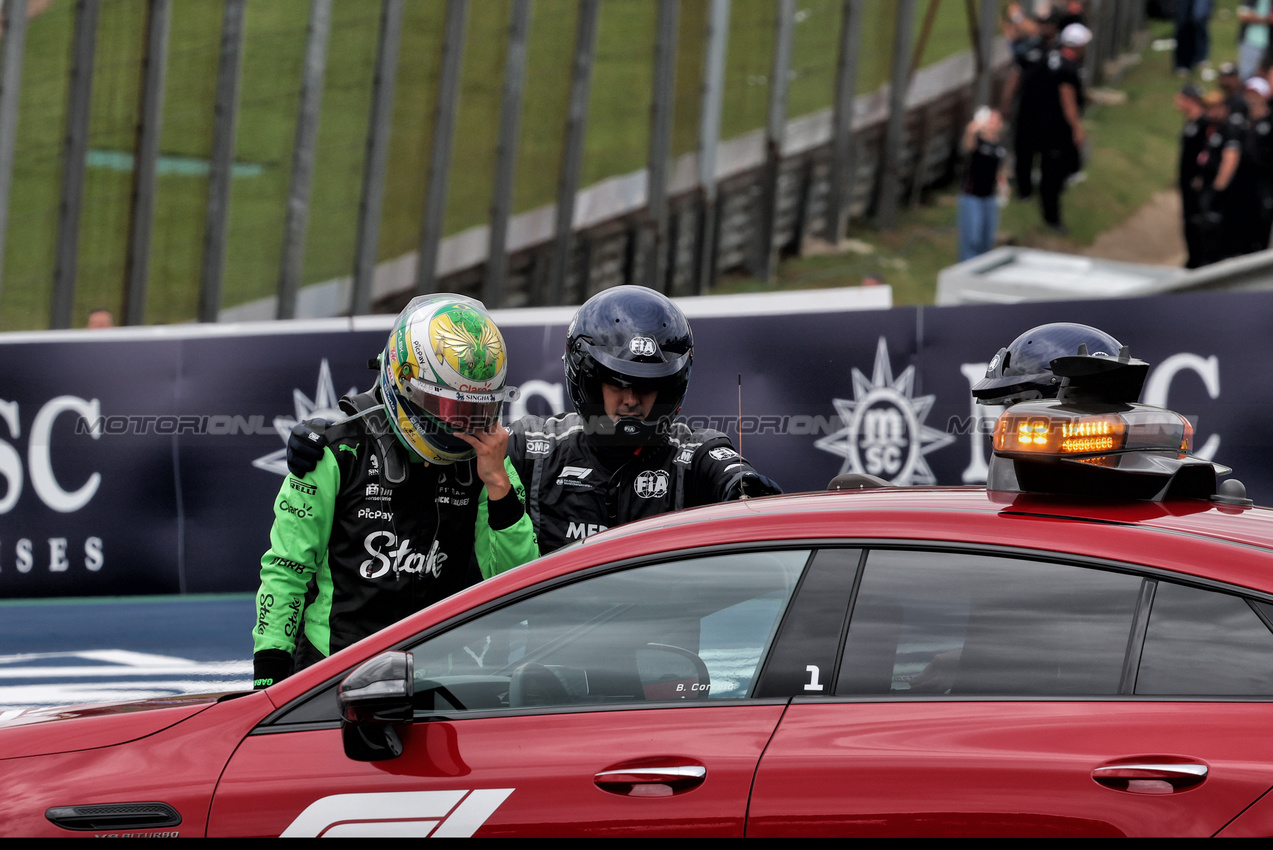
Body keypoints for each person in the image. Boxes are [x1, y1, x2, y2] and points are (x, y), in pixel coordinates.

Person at [288, 285, 781, 557]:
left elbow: (747, 491)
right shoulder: (533, 448)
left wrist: (751, 495)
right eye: (618, 385)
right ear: (587, 380)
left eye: (646, 387)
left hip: (660, 675)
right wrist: (330, 434)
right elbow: (428, 442)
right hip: (545, 687)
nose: (631, 402)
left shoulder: (696, 454)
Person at [252, 294, 538, 689]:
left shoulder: (489, 460)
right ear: (404, 383)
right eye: (447, 408)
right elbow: (287, 571)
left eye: (475, 411)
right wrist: (269, 676)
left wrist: (499, 487)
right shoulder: (335, 452)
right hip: (333, 674)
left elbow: (519, 582)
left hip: (439, 678)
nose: (459, 426)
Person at [958, 107, 1008, 262]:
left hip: (989, 197)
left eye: (996, 121)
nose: (994, 124)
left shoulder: (1001, 147)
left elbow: (1001, 170)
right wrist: (971, 130)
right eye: (991, 120)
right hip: (972, 196)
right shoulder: (977, 142)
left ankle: (981, 270)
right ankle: (966, 267)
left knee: (987, 239)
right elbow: (967, 146)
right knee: (973, 238)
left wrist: (1003, 186)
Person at [1177, 83, 1209, 268]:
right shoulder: (1190, 121)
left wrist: (1200, 176)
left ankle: (1198, 260)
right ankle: (1191, 258)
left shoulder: (1203, 123)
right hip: (1185, 180)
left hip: (1196, 182)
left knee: (1195, 220)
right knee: (1187, 220)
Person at [1238, 2, 1273, 81]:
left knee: (1266, 74)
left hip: (1269, 44)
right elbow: (1243, 14)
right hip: (1251, 40)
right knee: (1246, 73)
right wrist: (1266, 19)